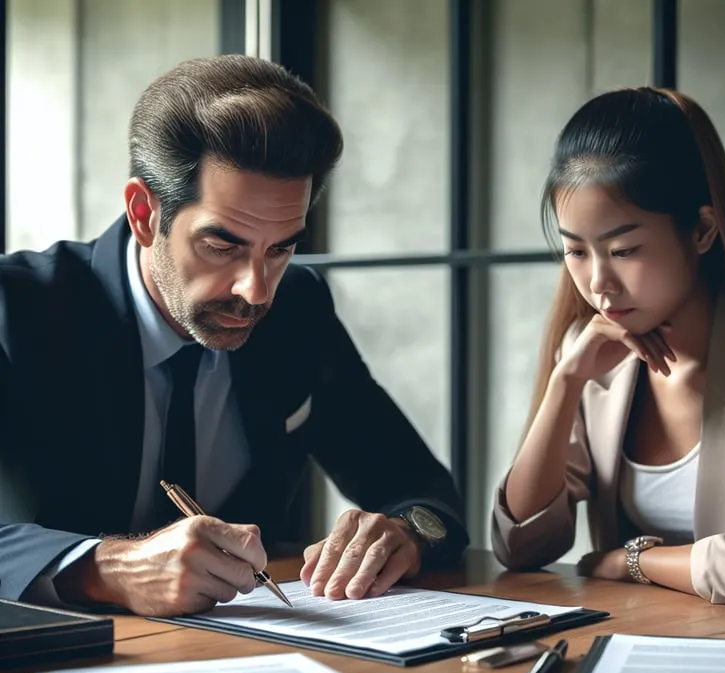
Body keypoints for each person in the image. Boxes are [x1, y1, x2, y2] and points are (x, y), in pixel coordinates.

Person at [0, 55, 467, 616]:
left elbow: (423, 489)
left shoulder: (297, 308)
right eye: (223, 246)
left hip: (254, 654)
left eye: (281, 248)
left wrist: (403, 532)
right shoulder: (18, 310)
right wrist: (107, 568)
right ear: (144, 213)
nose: (256, 290)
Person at [493, 86, 725, 608]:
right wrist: (565, 383)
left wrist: (631, 562)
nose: (599, 283)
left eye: (624, 249)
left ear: (703, 230)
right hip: (631, 646)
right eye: (575, 250)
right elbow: (520, 544)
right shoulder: (594, 356)